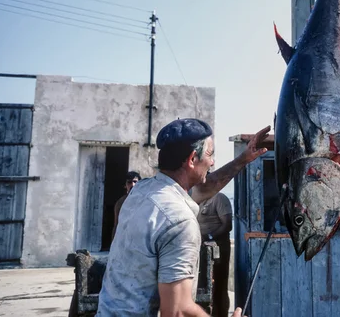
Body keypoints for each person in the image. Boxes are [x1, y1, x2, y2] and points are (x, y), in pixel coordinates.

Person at [97, 118, 268, 317]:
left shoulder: (142, 192)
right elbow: (178, 311)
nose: (212, 162)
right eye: (210, 155)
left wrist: (243, 158)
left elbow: (205, 186)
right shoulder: (179, 221)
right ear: (192, 159)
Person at [197, 192, 232, 317]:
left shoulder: (219, 198)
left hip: (219, 249)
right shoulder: (196, 197)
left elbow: (227, 225)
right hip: (200, 249)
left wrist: (209, 236)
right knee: (202, 287)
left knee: (220, 286)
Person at [111, 171, 141, 241]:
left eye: (135, 182)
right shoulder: (120, 203)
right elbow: (116, 225)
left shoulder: (145, 201)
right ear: (125, 185)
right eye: (129, 182)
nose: (133, 185)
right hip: (125, 239)